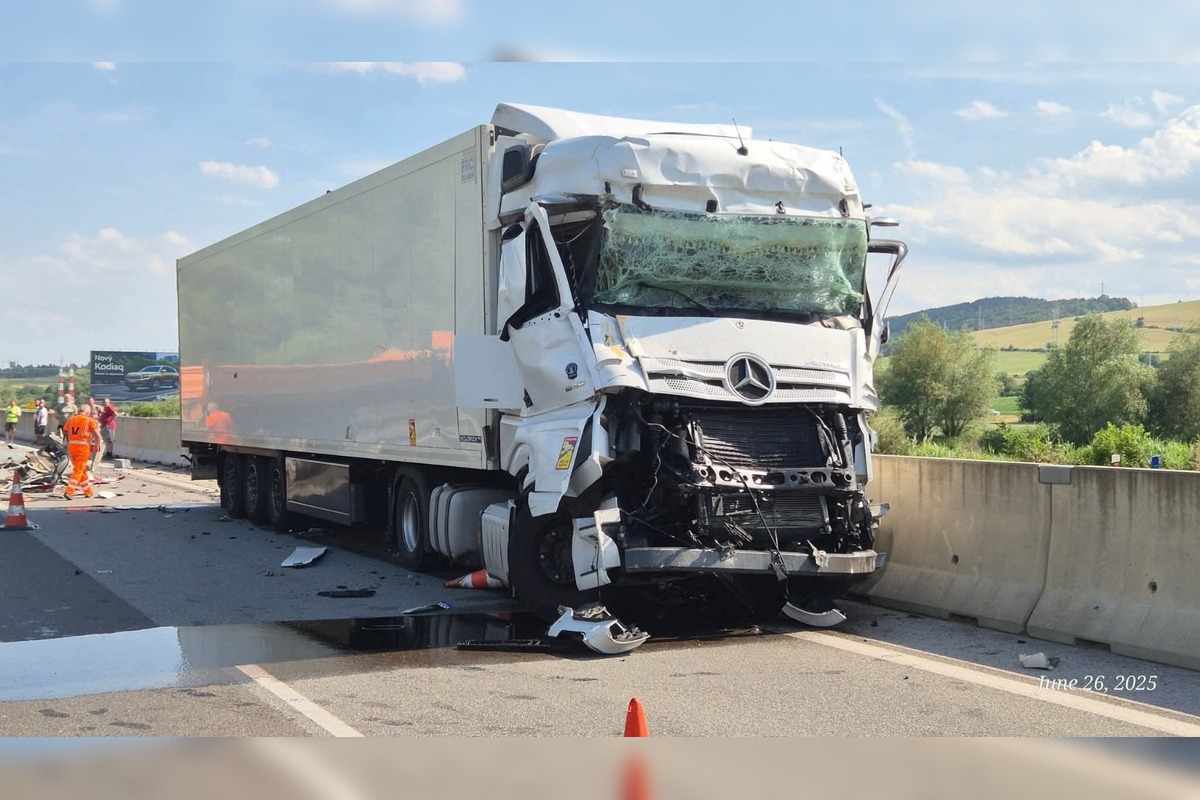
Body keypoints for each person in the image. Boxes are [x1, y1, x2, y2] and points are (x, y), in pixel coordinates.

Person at [62, 403, 102, 499]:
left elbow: (65, 430)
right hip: (83, 447)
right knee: (78, 470)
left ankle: (88, 491)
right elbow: (98, 435)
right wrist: (97, 445)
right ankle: (69, 491)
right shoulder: (89, 420)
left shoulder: (71, 419)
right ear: (88, 412)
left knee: (81, 469)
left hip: (72, 447)